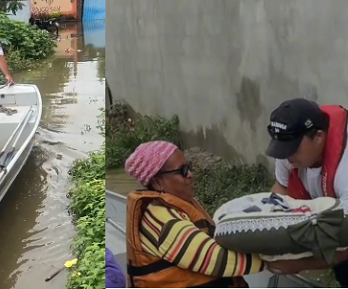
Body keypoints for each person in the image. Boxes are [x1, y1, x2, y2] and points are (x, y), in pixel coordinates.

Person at [124, 141, 264, 288]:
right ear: (158, 183)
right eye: (182, 171)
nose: (190, 175)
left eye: (188, 167)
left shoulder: (178, 206)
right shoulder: (164, 222)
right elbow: (217, 260)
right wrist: (273, 259)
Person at [263, 98, 348, 283]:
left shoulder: (345, 169)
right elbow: (281, 189)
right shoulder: (289, 153)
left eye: (292, 148)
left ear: (318, 137)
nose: (287, 155)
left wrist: (301, 264)